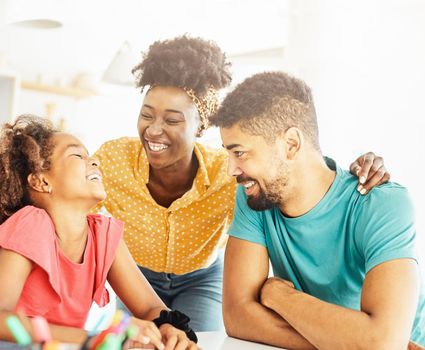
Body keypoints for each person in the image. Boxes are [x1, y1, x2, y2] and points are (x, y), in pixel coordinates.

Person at [94, 35, 391, 332]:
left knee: (197, 341)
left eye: (172, 120)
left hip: (201, 279)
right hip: (136, 276)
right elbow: (69, 191)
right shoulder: (113, 159)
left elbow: (288, 174)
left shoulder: (230, 173)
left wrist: (361, 168)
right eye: (147, 115)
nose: (154, 130)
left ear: (201, 125)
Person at [210, 71, 424, 349]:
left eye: (240, 153)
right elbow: (238, 316)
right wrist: (344, 342)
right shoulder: (255, 194)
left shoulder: (381, 204)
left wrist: (278, 296)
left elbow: (381, 342)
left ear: (291, 145)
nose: (231, 169)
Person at [0, 115, 199, 349]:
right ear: (41, 182)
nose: (94, 161)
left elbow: (149, 308)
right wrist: (92, 338)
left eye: (90, 155)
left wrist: (167, 328)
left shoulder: (104, 235)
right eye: (77, 155)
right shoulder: (31, 226)